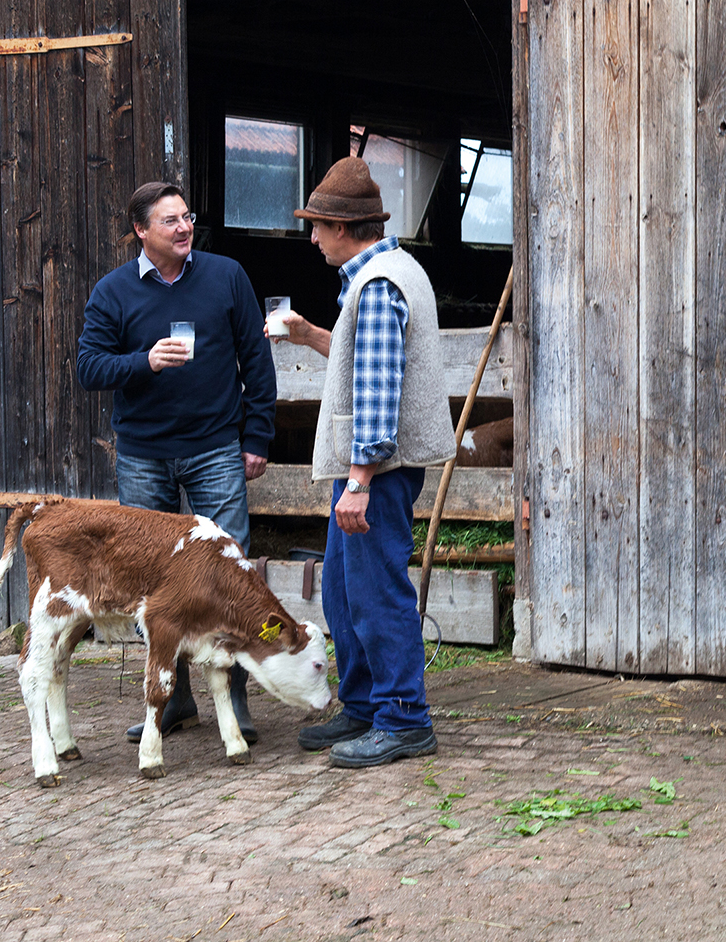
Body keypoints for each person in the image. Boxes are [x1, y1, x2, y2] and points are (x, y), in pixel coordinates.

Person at [77, 181, 277, 744]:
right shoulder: (113, 292)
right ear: (142, 231)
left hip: (215, 447)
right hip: (143, 454)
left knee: (228, 573)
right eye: (170, 221)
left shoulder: (226, 276)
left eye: (187, 217)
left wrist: (256, 435)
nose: (184, 228)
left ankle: (233, 704)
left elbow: (255, 361)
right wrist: (143, 361)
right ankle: (173, 699)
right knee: (152, 582)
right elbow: (88, 367)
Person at [272, 157, 455, 769]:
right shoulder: (388, 271)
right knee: (346, 589)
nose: (312, 237)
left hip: (376, 470)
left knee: (376, 593)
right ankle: (363, 704)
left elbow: (378, 392)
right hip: (373, 469)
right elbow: (364, 356)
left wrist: (358, 481)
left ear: (342, 228)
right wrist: (310, 336)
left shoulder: (378, 285)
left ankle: (403, 717)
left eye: (317, 226)